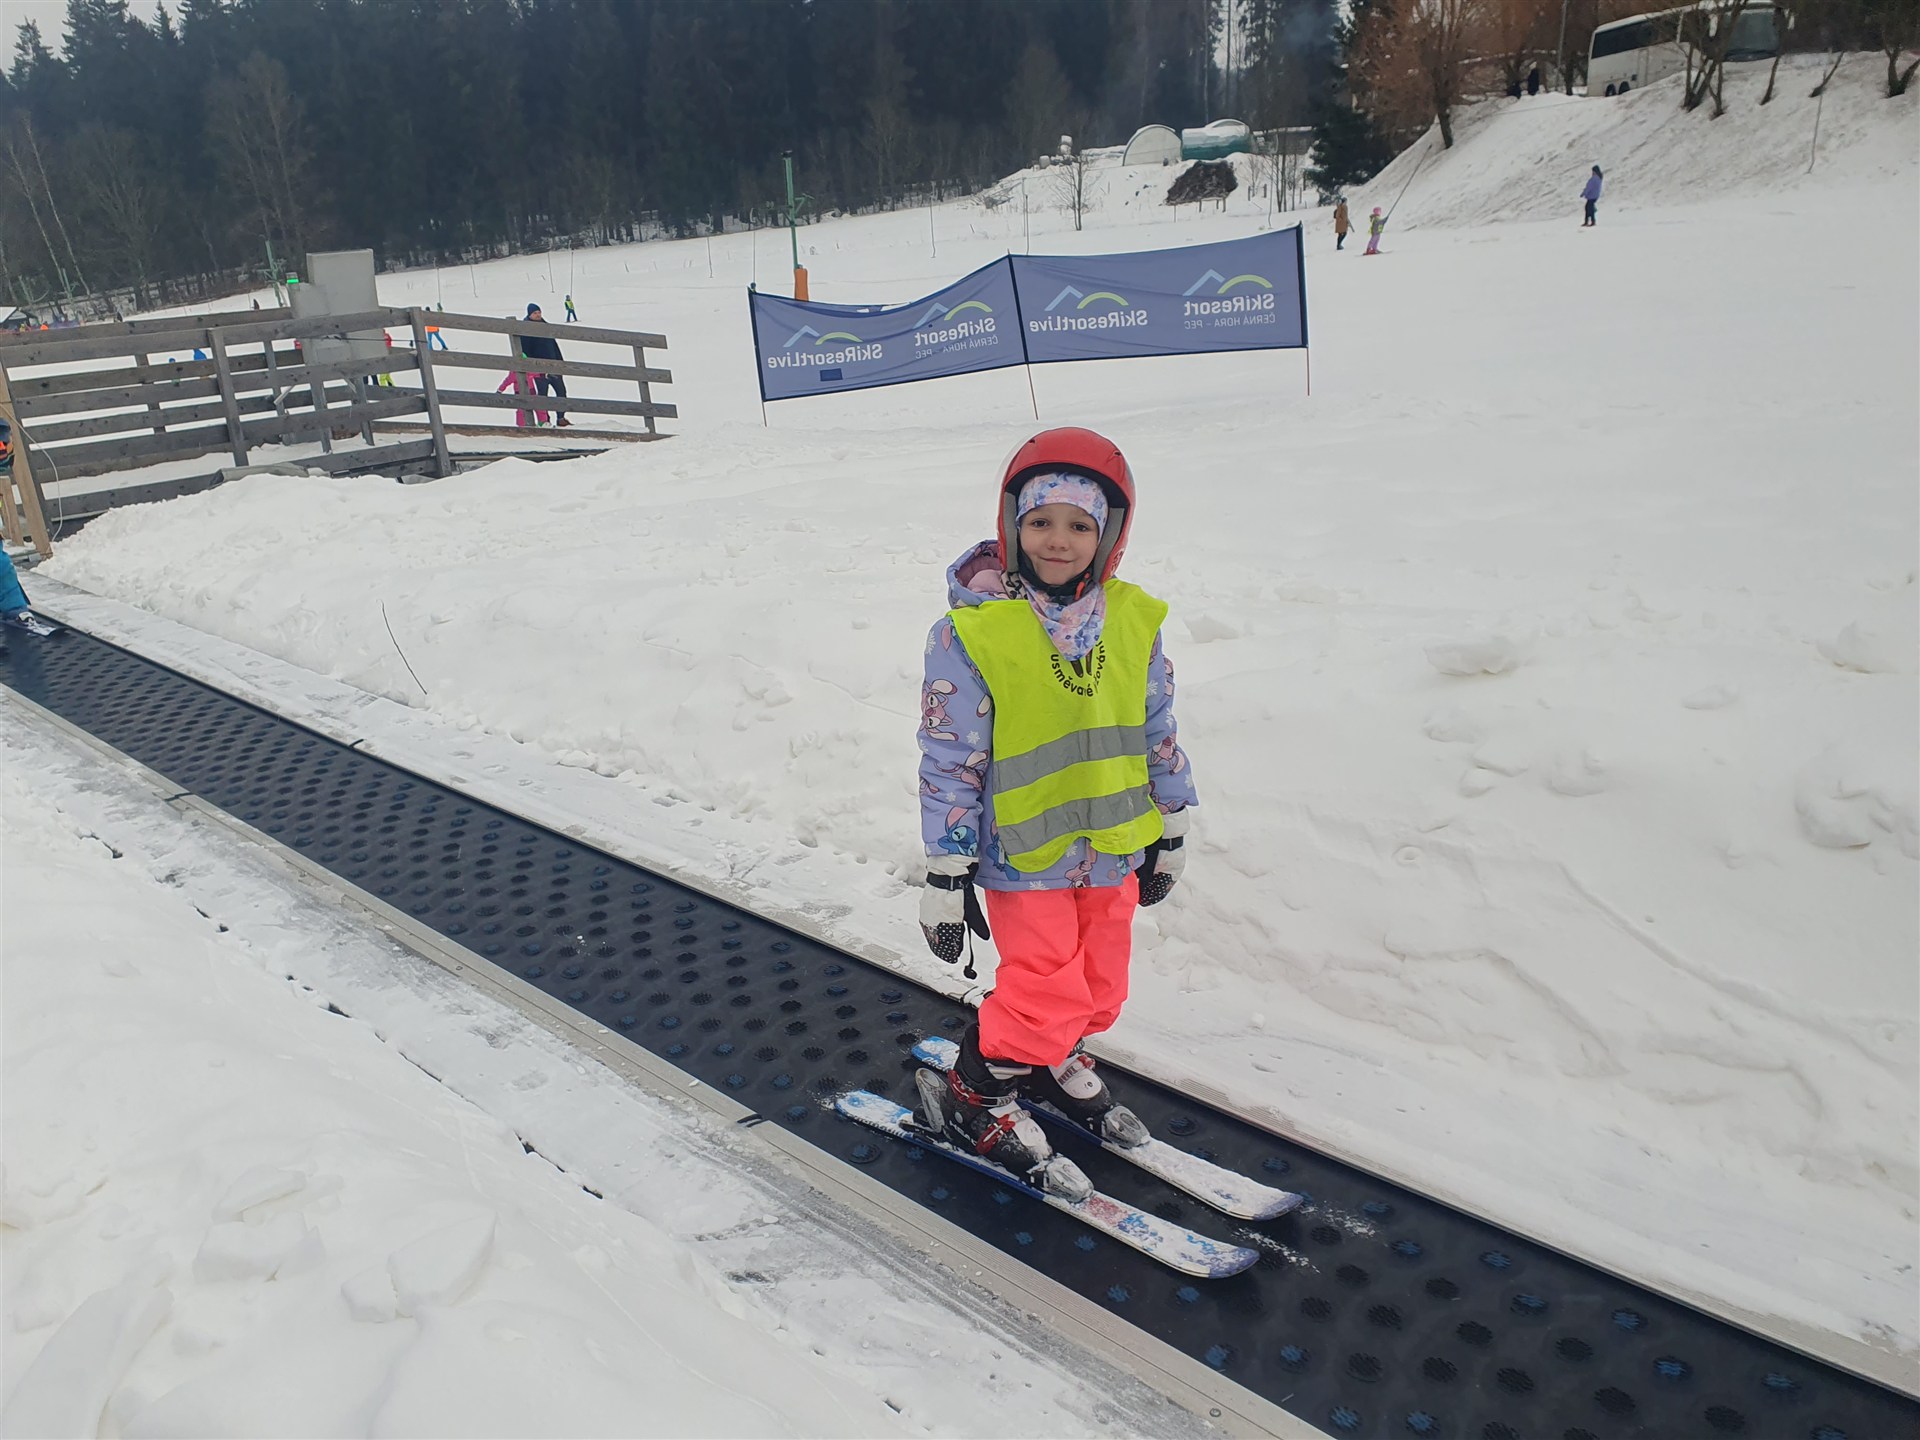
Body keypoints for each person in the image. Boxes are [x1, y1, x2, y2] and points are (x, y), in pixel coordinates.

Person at [915, 428, 1198, 1200]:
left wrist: (1171, 822)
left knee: (1101, 990)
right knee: (1044, 992)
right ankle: (977, 1093)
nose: (1058, 540)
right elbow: (950, 757)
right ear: (1013, 525)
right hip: (1025, 853)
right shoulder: (973, 633)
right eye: (1040, 521)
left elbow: (1155, 728)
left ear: (1110, 533)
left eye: (1080, 523)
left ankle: (1043, 1057)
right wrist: (946, 870)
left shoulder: (1133, 620)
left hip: (1112, 845)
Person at [517, 303, 569, 426]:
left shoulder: (546, 326)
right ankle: (545, 420)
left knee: (561, 392)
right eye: (535, 313)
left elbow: (554, 346)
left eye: (539, 312)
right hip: (538, 368)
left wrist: (560, 362)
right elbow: (525, 350)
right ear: (529, 314)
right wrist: (532, 366)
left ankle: (561, 417)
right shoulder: (526, 329)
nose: (538, 315)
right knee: (542, 396)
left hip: (553, 366)